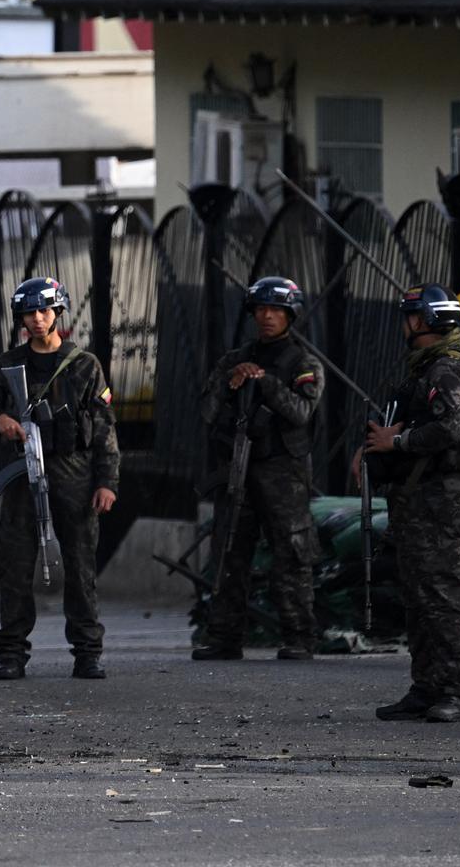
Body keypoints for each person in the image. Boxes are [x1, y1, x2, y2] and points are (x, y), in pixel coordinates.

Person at [352, 284, 460, 724]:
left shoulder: (448, 367)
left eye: (410, 317)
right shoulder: (430, 366)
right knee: (419, 595)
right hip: (420, 494)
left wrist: (398, 441)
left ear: (423, 320)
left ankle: (453, 691)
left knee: (441, 594)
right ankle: (426, 686)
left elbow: (448, 429)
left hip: (440, 495)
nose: (405, 325)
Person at [0, 277, 120, 681]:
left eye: (44, 311)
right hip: (22, 476)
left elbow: (106, 429)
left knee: (80, 563)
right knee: (16, 564)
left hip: (73, 472)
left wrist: (108, 482)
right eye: (29, 313)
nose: (37, 320)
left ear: (57, 313)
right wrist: (1, 419)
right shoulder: (8, 365)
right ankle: (12, 654)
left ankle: (87, 653)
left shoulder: (85, 365)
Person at [192, 277, 325, 661]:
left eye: (276, 310)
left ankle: (299, 637)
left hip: (284, 472)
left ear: (290, 315)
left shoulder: (303, 363)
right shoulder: (235, 358)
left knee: (292, 553)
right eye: (261, 310)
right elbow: (206, 411)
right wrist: (233, 384)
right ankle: (224, 637)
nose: (267, 317)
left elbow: (301, 411)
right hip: (239, 466)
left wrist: (265, 382)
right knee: (230, 549)